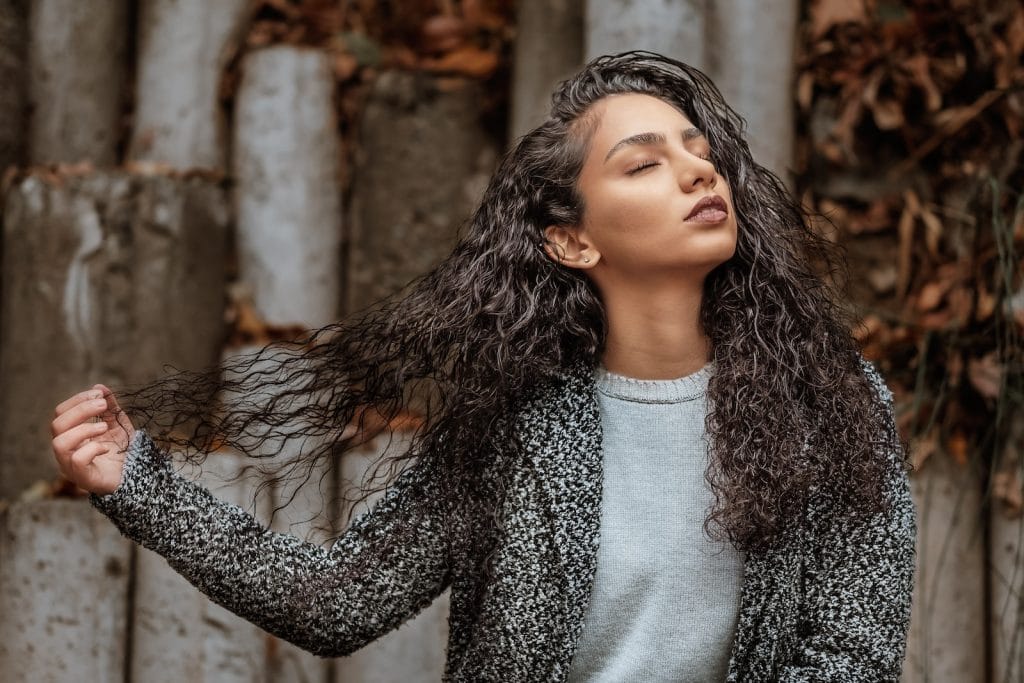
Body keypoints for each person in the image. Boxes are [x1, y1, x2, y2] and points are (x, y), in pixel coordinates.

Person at [50, 51, 916, 681]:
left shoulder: (834, 404)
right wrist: (143, 487)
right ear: (572, 239)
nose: (698, 173)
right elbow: (338, 601)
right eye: (646, 163)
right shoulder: (510, 428)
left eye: (700, 153)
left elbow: (851, 651)